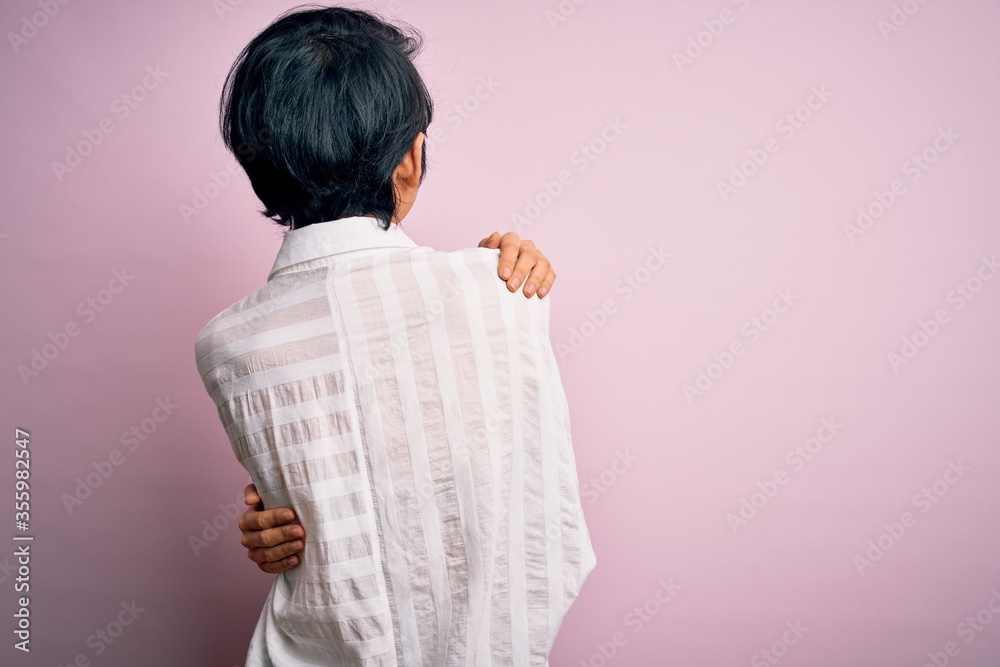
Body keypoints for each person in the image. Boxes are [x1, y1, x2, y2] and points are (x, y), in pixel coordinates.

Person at [195, 5, 595, 665]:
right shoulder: (507, 289)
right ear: (410, 160)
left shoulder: (225, 346)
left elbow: (300, 511)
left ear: (258, 162)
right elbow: (549, 542)